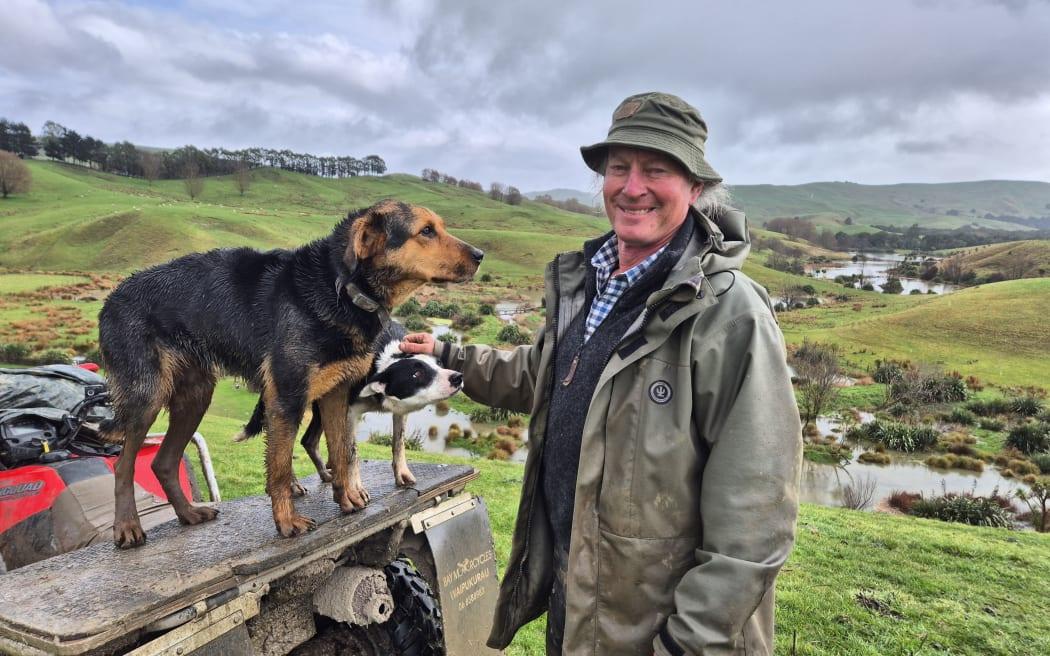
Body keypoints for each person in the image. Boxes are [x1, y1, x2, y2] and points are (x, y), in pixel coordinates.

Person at [401, 92, 802, 656]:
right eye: (619, 167)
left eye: (656, 169)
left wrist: (689, 644)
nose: (632, 186)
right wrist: (448, 354)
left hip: (660, 630)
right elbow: (545, 374)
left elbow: (755, 522)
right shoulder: (591, 283)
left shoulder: (729, 314)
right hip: (581, 603)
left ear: (696, 188)